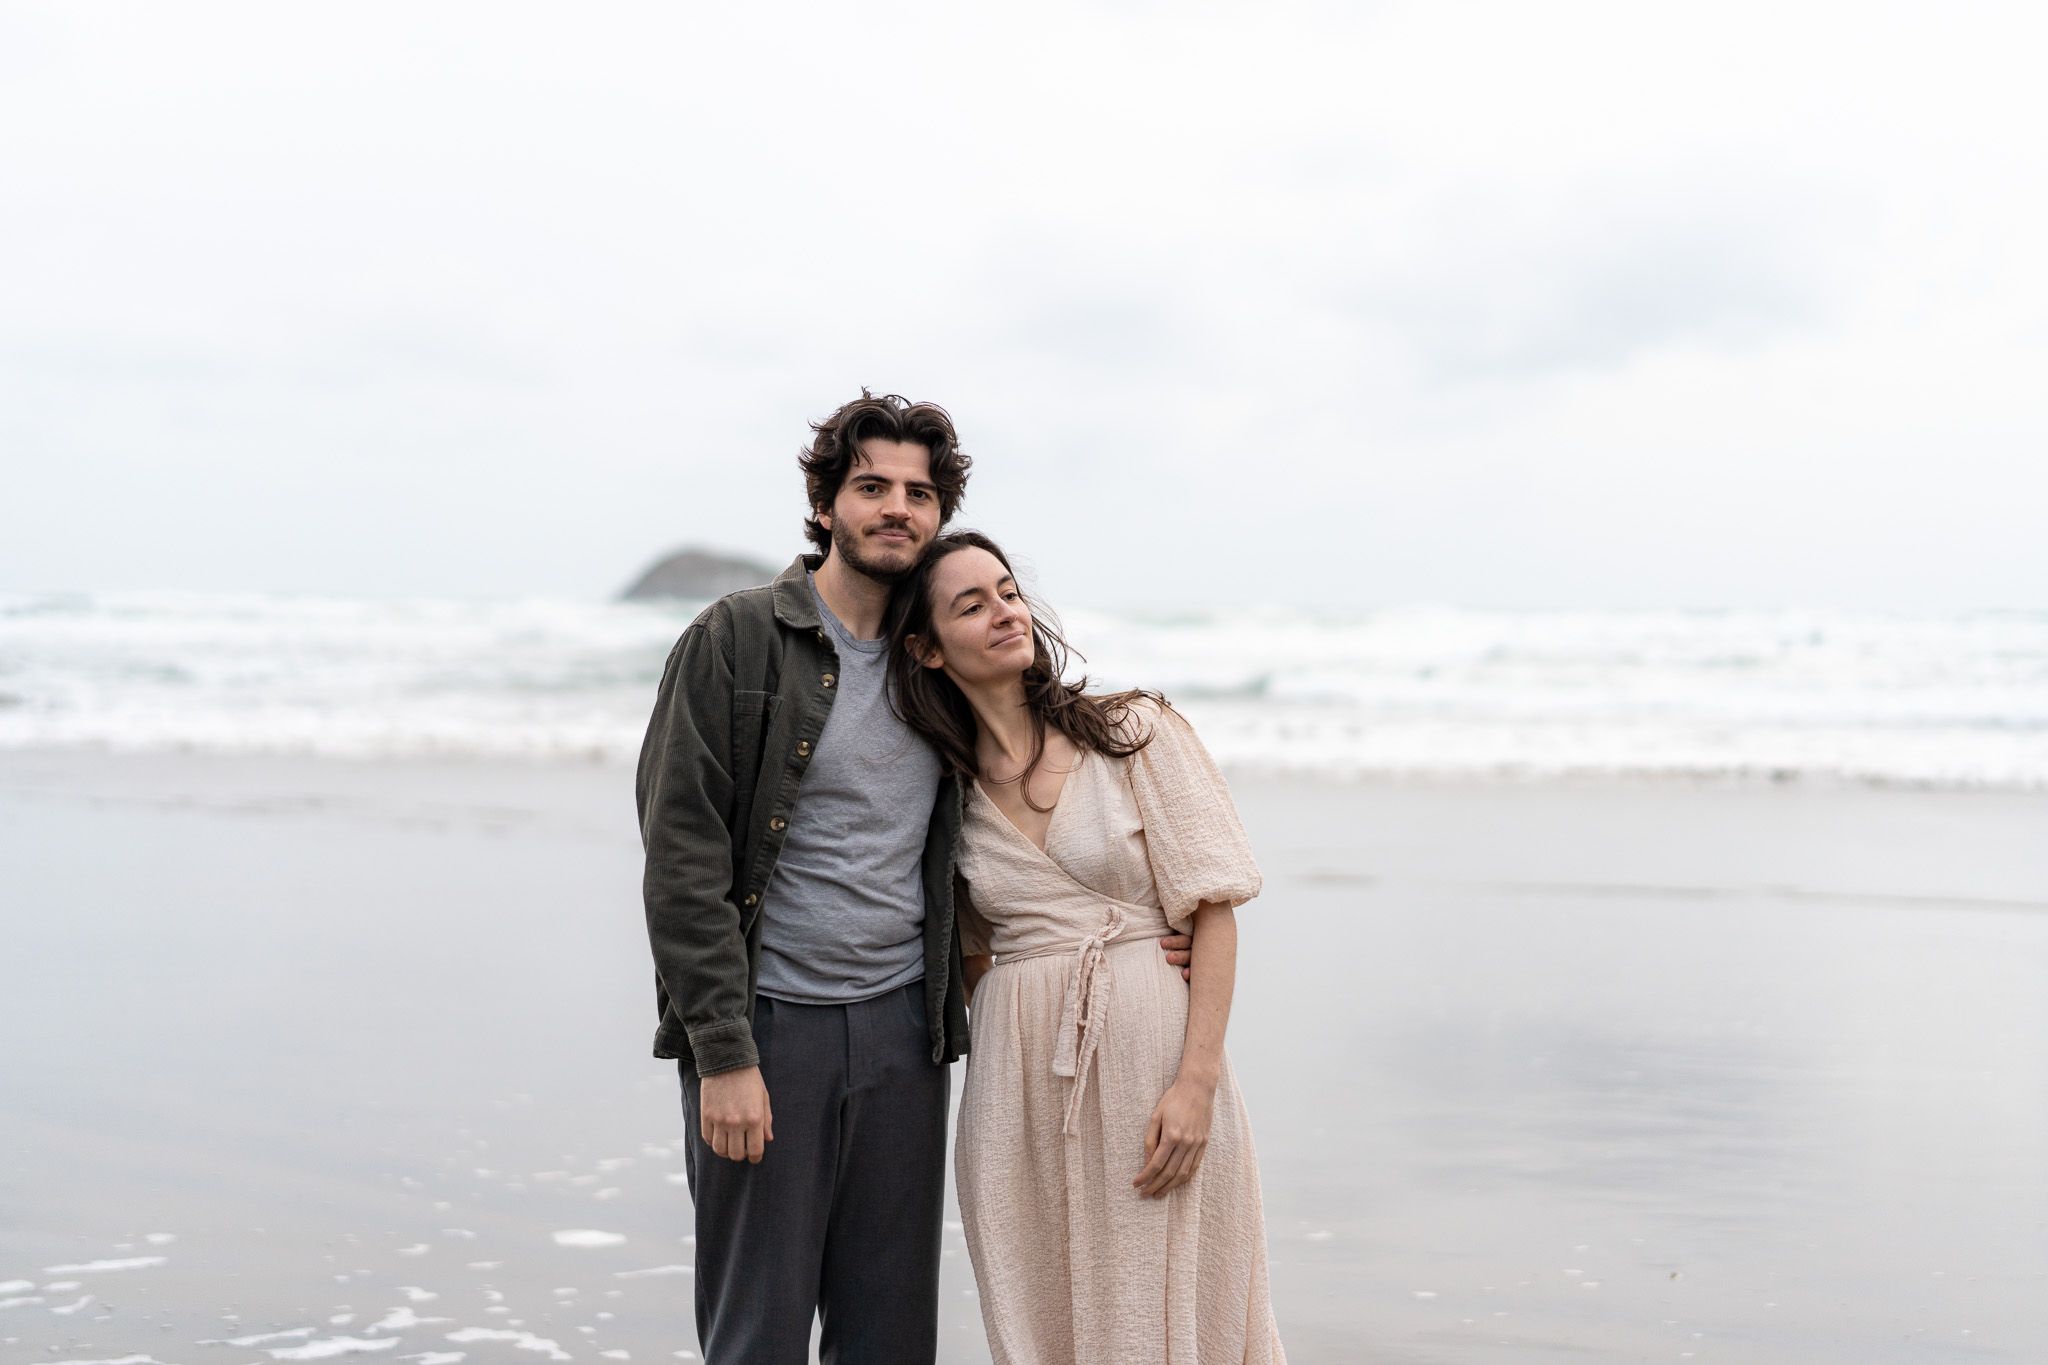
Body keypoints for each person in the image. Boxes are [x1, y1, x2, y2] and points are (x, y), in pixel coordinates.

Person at [634, 394, 1192, 1365]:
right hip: (769, 1026)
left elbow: (1023, 803)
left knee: (889, 1334)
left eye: (918, 493)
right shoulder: (736, 641)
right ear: (823, 507)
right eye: (871, 487)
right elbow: (681, 860)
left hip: (904, 1032)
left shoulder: (934, 660)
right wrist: (720, 1052)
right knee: (755, 1331)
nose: (896, 507)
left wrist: (1140, 925)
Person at [886, 530, 1288, 1365]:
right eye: (972, 604)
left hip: (1156, 1072)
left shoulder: (1136, 729)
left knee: (1176, 1304)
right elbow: (968, 953)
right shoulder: (941, 794)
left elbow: (1213, 908)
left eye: (1007, 591)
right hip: (1018, 1095)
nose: (1005, 611)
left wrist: (1196, 1082)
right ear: (926, 649)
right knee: (1045, 1311)